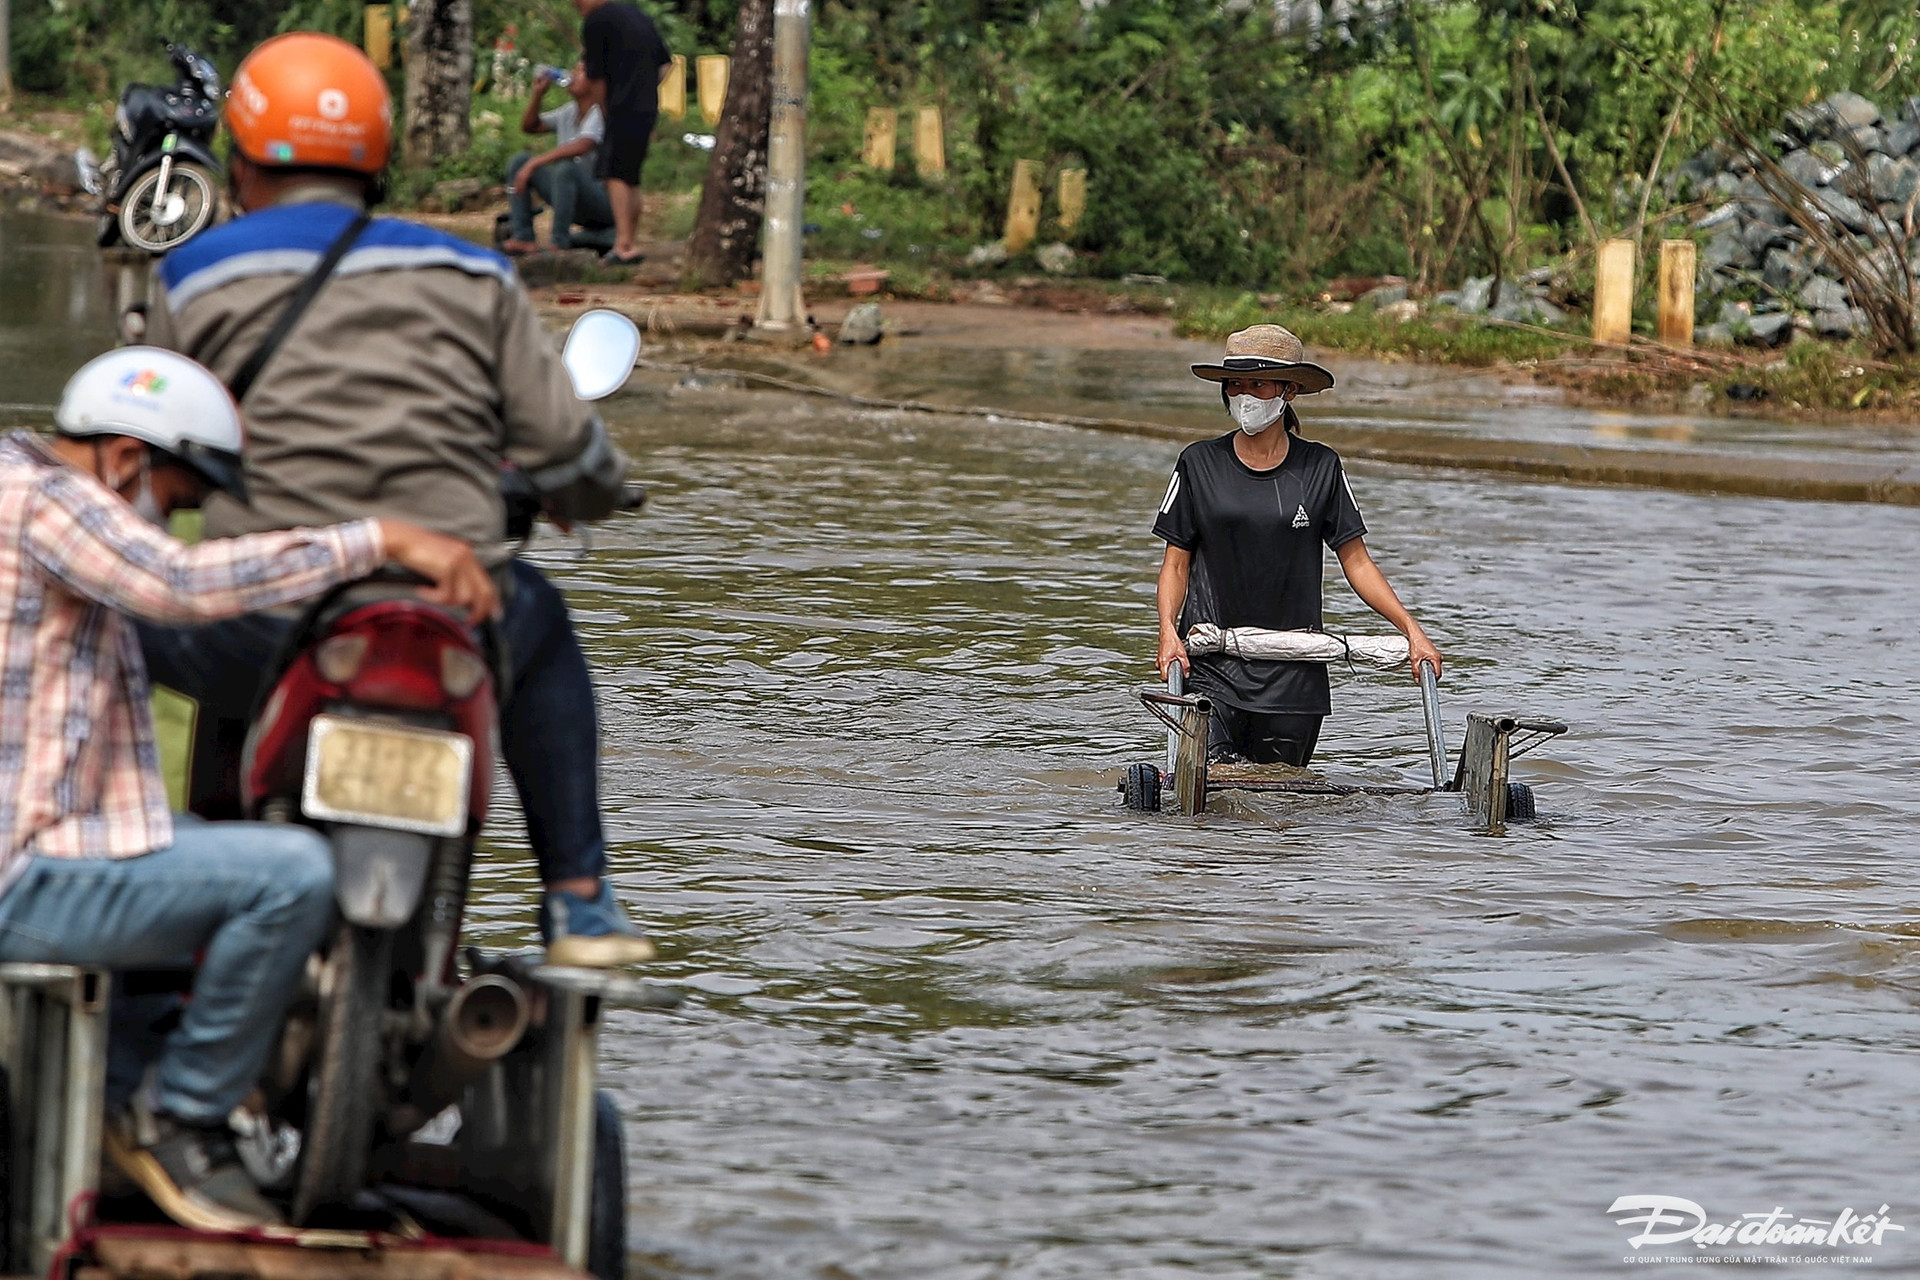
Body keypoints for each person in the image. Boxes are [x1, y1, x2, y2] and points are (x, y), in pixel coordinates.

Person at [139, 31, 655, 968]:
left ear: (243, 163)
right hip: (449, 604)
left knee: (113, 621)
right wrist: (601, 493)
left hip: (260, 611)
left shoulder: (192, 273)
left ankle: (114, 844)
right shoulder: (474, 274)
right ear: (378, 162)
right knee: (542, 628)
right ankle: (579, 901)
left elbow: (155, 445)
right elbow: (563, 442)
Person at [0, 346, 496, 1229]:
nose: (172, 520)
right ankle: (180, 1119)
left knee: (184, 832)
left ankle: (122, 1092)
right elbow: (178, 584)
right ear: (124, 459)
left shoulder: (15, 477)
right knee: (291, 876)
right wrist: (379, 540)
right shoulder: (46, 499)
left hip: (37, 844)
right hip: (22, 875)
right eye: (177, 499)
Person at [1152, 324, 1442, 766]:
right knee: (1209, 797)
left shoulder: (1320, 466)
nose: (1243, 394)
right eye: (1235, 384)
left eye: (1257, 383)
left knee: (1281, 807)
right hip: (1210, 664)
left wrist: (1411, 630)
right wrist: (1168, 633)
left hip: (1296, 673)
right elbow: (1176, 564)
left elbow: (1357, 561)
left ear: (1288, 390)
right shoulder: (1199, 463)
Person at [575, 0, 672, 265]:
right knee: (631, 174)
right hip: (646, 107)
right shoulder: (638, 15)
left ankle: (624, 243)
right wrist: (644, 88)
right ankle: (629, 239)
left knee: (614, 173)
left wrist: (606, 110)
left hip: (620, 106)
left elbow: (595, 79)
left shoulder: (596, 21)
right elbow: (665, 65)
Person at [504, 60, 616, 255]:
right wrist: (538, 94)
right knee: (519, 161)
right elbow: (530, 127)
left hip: (602, 203)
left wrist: (536, 162)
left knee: (566, 169)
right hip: (572, 199)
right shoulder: (569, 111)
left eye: (581, 71)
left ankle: (559, 241)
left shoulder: (600, 112)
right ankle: (523, 236)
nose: (572, 74)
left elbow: (584, 145)